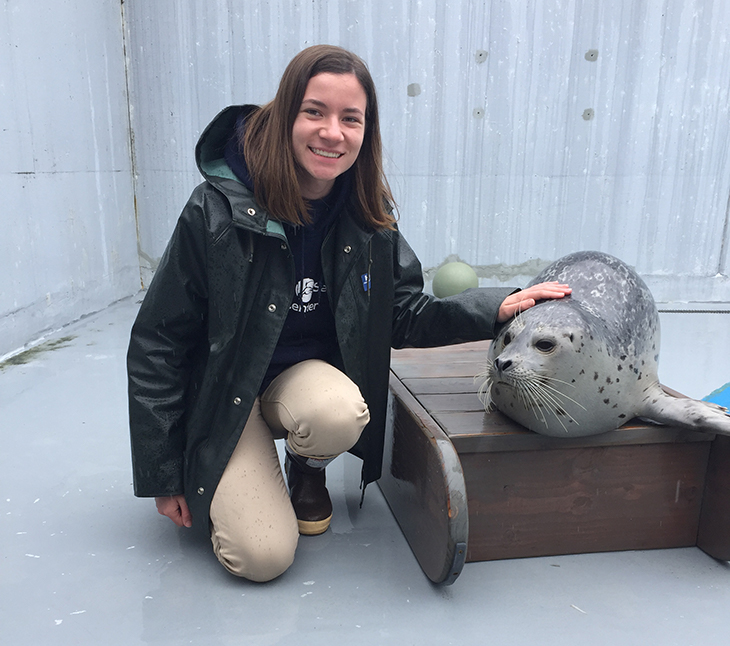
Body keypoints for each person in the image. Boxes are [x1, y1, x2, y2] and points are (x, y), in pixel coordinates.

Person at [127, 44, 571, 583]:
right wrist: (164, 473)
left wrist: (492, 308)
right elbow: (158, 340)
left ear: (366, 131)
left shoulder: (367, 218)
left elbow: (403, 313)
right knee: (263, 558)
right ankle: (232, 467)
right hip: (224, 392)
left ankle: (305, 466)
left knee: (340, 412)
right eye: (314, 111)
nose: (331, 132)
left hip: (296, 383)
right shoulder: (216, 209)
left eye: (350, 118)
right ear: (285, 114)